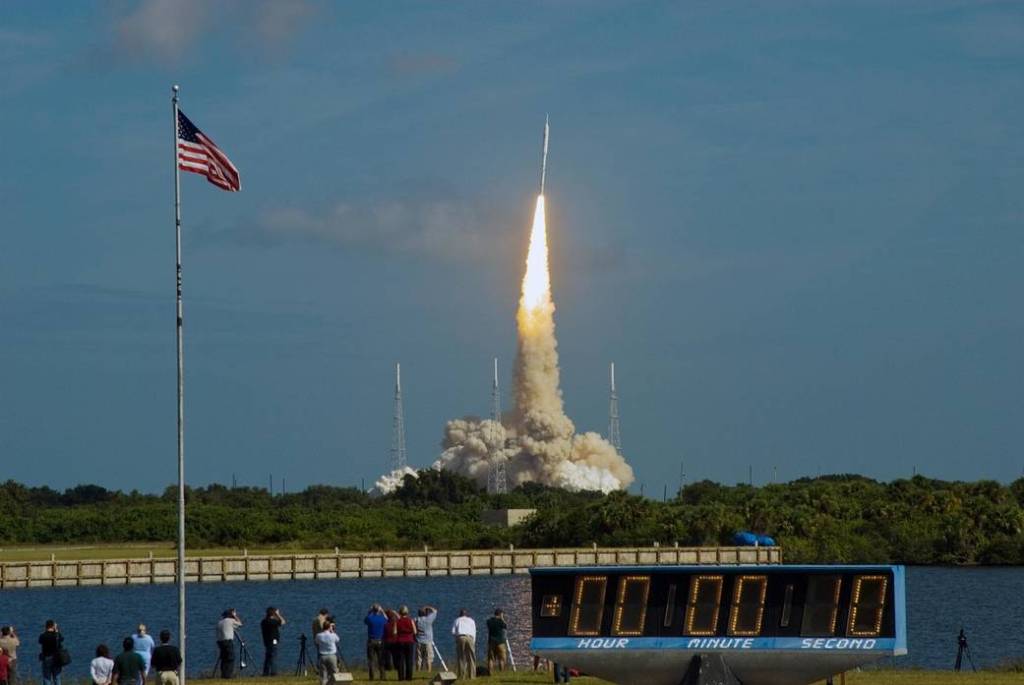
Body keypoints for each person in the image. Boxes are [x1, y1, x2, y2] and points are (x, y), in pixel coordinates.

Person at [215, 609, 242, 679]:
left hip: (220, 642)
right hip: (228, 641)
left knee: (224, 659)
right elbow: (240, 624)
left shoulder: (220, 622)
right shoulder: (230, 621)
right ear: (231, 615)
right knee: (230, 658)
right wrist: (235, 616)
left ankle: (223, 675)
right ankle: (228, 675)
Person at [260, 607, 286, 676]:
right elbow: (283, 622)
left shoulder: (264, 621)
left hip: (266, 641)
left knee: (268, 657)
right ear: (273, 613)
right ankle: (274, 672)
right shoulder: (273, 622)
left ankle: (265, 672)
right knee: (273, 656)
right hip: (273, 641)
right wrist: (278, 614)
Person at [364, 604, 387, 681]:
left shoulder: (370, 618)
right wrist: (382, 611)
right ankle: (382, 676)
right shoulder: (382, 618)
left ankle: (371, 677)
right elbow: (387, 619)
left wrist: (369, 611)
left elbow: (365, 619)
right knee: (381, 659)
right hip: (380, 640)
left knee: (371, 659)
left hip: (371, 641)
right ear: (379, 610)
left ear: (372, 610)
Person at [451, 609, 476, 680]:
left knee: (461, 657)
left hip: (461, 637)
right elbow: (474, 632)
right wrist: (473, 641)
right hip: (470, 637)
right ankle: (472, 676)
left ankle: (462, 676)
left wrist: (456, 639)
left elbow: (453, 632)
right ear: (467, 614)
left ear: (460, 614)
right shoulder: (471, 620)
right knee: (471, 657)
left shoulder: (457, 620)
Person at [314, 620, 340, 685]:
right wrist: (332, 631)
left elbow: (316, 642)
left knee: (323, 675)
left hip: (322, 656)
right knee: (334, 674)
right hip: (332, 656)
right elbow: (338, 640)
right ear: (329, 627)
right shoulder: (333, 635)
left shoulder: (319, 635)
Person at [37, 620, 63, 685]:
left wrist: (45, 631)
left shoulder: (43, 636)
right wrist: (56, 630)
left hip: (46, 658)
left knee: (47, 678)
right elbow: (62, 639)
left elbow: (40, 641)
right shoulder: (56, 635)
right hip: (56, 658)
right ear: (53, 626)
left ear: (46, 626)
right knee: (57, 678)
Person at [394, 607, 416, 681]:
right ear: (407, 612)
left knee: (400, 660)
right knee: (409, 660)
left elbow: (394, 632)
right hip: (409, 641)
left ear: (400, 612)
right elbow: (415, 631)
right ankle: (409, 677)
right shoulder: (411, 620)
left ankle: (401, 677)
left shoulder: (397, 621)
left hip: (400, 641)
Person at [413, 606, 437, 672]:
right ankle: (428, 671)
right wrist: (427, 607)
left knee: (418, 659)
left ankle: (418, 671)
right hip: (428, 642)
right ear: (426, 613)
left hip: (419, 641)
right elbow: (435, 611)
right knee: (429, 658)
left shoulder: (416, 620)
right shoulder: (428, 619)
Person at [486, 609, 508, 673]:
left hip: (491, 641)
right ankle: (501, 672)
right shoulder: (501, 621)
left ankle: (490, 672)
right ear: (500, 614)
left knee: (491, 659)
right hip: (500, 642)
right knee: (501, 659)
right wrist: (502, 618)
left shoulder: (489, 621)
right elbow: (505, 626)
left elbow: (488, 623)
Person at [383, 610, 400, 679]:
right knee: (395, 656)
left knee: (387, 656)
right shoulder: (396, 623)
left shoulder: (385, 624)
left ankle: (388, 667)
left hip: (387, 641)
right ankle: (396, 666)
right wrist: (396, 613)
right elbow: (400, 618)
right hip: (394, 641)